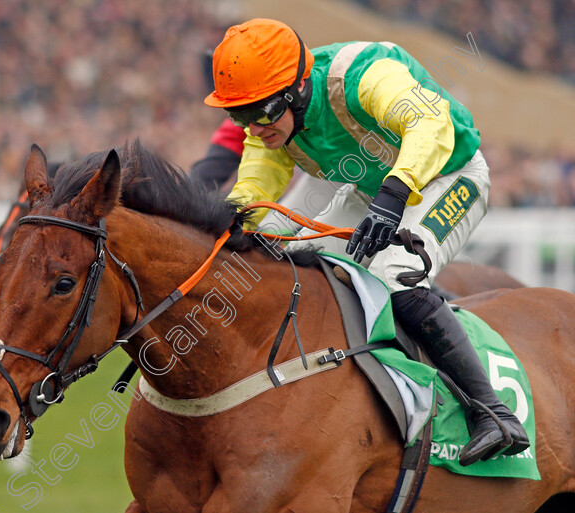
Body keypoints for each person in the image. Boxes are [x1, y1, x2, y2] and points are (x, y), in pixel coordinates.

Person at [203, 18, 528, 466]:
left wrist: (395, 194)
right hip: (371, 191)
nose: (252, 128)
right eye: (238, 115)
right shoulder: (270, 120)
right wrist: (230, 227)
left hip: (449, 174)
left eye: (259, 113)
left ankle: (493, 414)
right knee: (290, 259)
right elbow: (257, 186)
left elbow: (431, 126)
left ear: (297, 91)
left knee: (393, 275)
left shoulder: (363, 74)